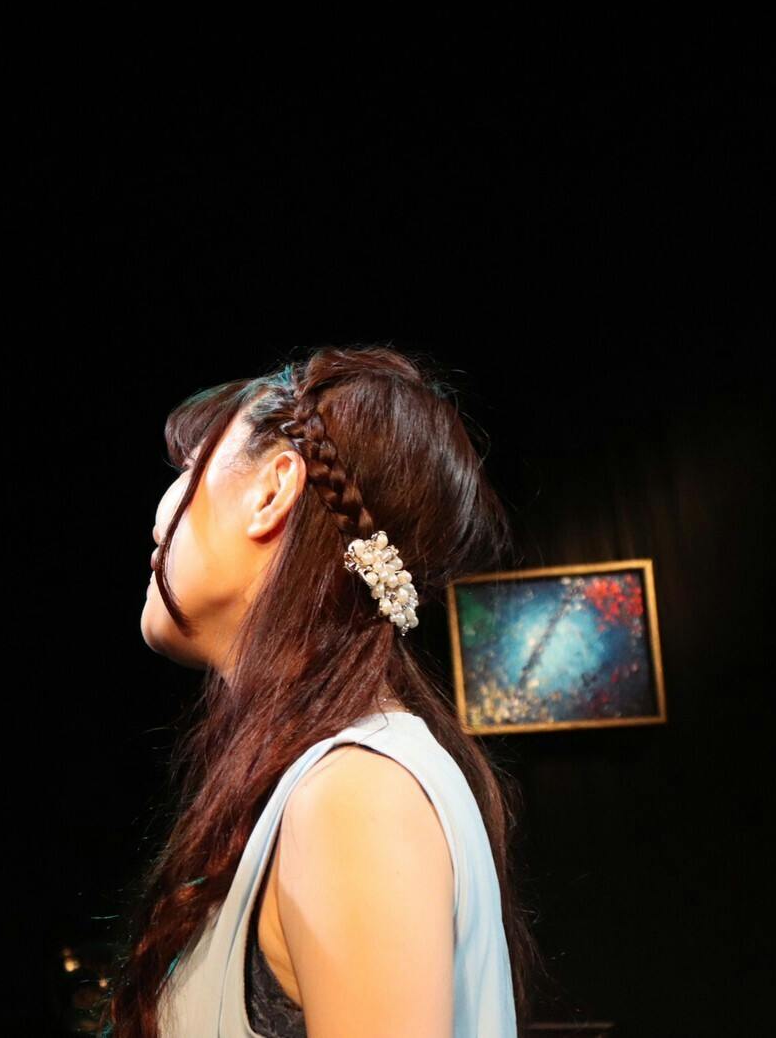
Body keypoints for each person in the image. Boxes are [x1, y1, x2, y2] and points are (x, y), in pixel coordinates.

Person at [105, 347, 541, 1037]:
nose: (160, 516)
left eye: (190, 468)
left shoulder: (359, 795)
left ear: (273, 490)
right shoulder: (344, 779)